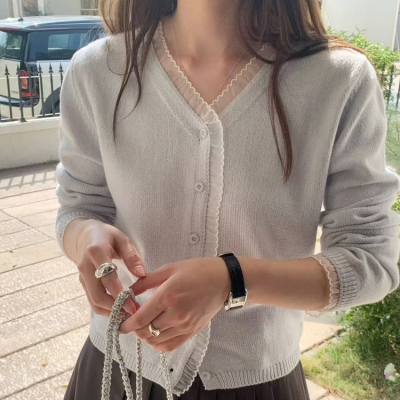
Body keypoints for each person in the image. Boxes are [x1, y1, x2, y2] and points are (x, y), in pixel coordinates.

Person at [55, 0, 400, 399]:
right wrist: (86, 237)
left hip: (259, 383)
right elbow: (78, 207)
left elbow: (370, 259)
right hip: (113, 373)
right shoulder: (97, 71)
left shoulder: (337, 81)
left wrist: (233, 279)